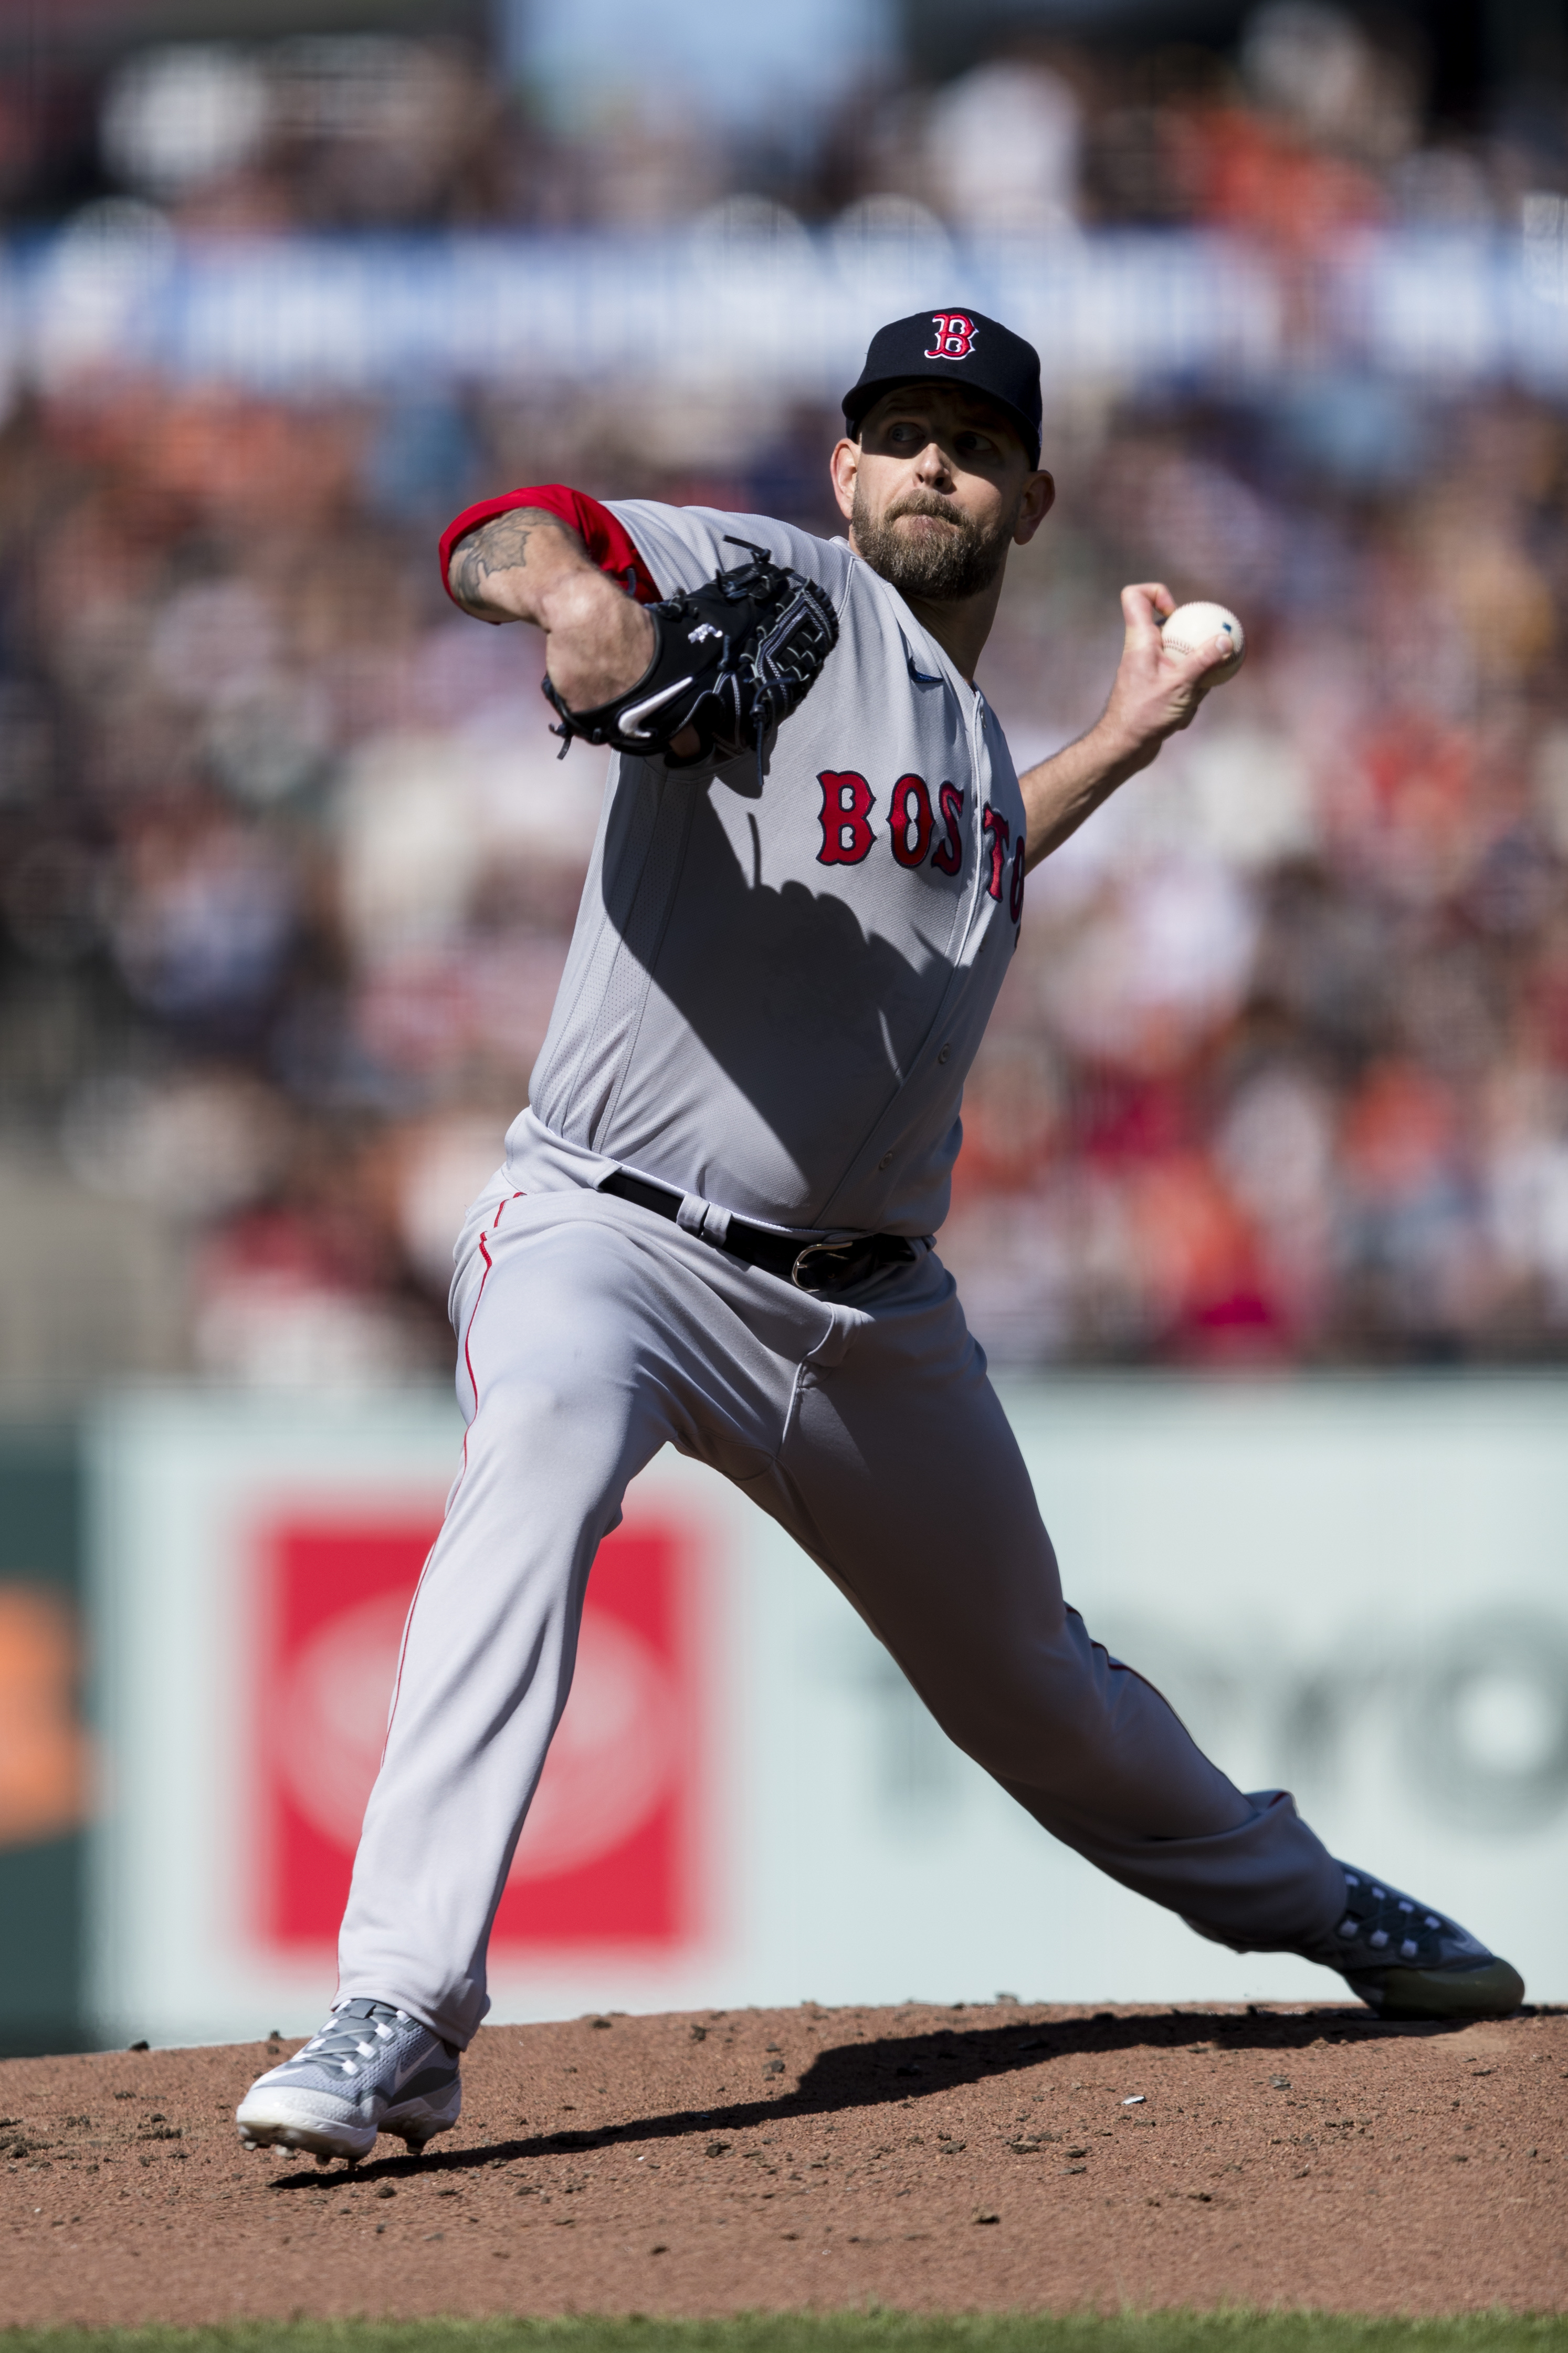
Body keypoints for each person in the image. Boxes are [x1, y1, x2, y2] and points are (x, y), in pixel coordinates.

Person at [237, 309, 1522, 2163]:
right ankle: (396, 2008)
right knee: (528, 1478)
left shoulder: (965, 747)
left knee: (1034, 1683)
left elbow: (976, 840)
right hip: (612, 1233)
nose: (931, 462)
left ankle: (1314, 1900)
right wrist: (576, 607)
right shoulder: (770, 581)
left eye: (969, 440)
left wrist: (1126, 739)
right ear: (841, 471)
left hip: (864, 1313)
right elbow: (507, 528)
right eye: (896, 431)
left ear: (1028, 496)